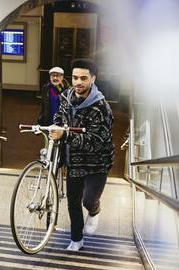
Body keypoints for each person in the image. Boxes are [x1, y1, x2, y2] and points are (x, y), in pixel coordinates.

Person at [49, 59, 114, 251]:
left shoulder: (101, 108)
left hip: (98, 163)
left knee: (88, 201)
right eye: (75, 77)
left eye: (83, 78)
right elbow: (60, 116)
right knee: (73, 202)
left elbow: (95, 142)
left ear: (93, 79)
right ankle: (76, 239)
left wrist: (66, 135)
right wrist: (56, 125)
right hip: (74, 161)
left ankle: (94, 211)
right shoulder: (66, 96)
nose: (78, 82)